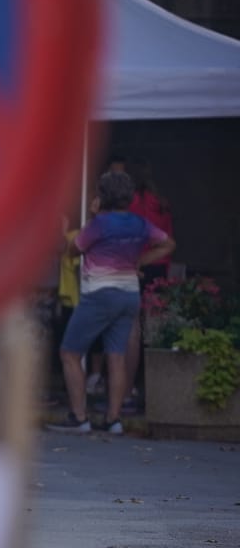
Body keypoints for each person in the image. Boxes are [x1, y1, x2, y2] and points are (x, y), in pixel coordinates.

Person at [51, 170, 174, 434]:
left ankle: (79, 417)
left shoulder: (99, 225)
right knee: (116, 357)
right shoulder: (139, 223)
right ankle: (113, 419)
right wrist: (139, 261)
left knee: (69, 353)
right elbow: (168, 245)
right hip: (129, 294)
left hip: (99, 294)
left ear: (102, 196)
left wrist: (92, 218)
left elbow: (72, 251)